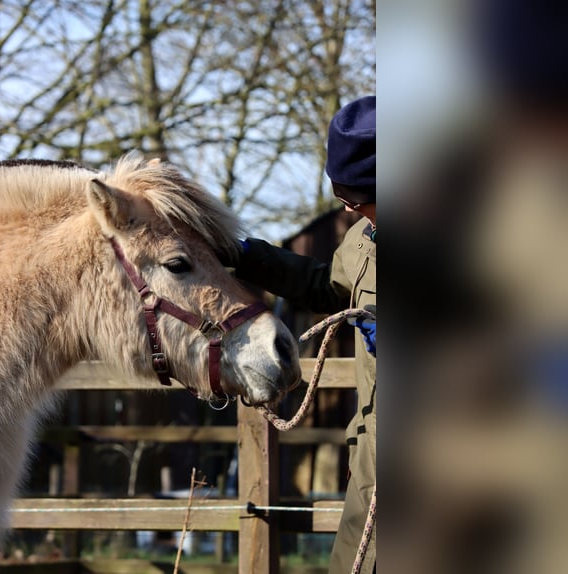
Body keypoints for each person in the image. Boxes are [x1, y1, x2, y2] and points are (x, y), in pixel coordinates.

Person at [228, 95, 376, 573]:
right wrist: (248, 255)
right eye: (344, 198)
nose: (350, 209)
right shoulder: (361, 241)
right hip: (375, 460)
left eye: (359, 197)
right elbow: (326, 288)